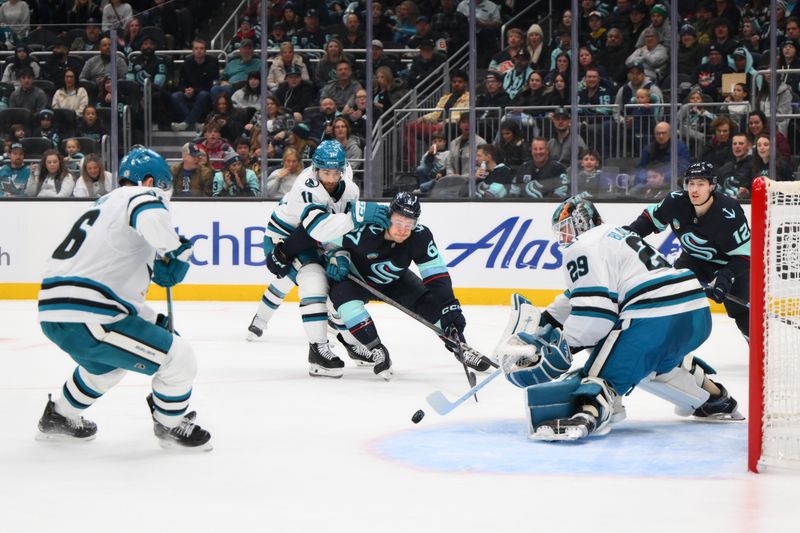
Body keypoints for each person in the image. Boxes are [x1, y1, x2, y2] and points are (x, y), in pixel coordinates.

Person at [494, 196, 742, 441]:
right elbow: (576, 297)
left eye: (566, 229)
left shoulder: (582, 245)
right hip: (694, 313)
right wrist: (546, 321)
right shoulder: (616, 235)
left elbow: (596, 317)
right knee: (657, 364)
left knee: (601, 370)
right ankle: (717, 399)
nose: (564, 238)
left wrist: (563, 347)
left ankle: (587, 414)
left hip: (654, 315)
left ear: (581, 223)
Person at [35, 146, 212, 449]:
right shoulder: (143, 197)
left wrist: (160, 266)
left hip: (59, 311)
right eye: (163, 187)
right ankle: (170, 424)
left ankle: (61, 416)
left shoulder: (106, 203)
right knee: (179, 358)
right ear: (148, 181)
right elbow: (155, 222)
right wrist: (177, 250)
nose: (165, 195)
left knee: (106, 365)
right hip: (91, 314)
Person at [245, 141, 390, 379]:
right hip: (284, 240)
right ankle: (317, 351)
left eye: (336, 172)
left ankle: (352, 344)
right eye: (326, 172)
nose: (331, 178)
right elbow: (315, 228)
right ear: (316, 169)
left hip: (316, 241)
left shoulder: (350, 189)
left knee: (340, 290)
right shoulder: (306, 185)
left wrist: (340, 255)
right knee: (313, 282)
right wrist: (355, 220)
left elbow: (336, 233)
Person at [325, 192, 483, 380]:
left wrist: (450, 304)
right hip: (356, 280)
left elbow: (436, 274)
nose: (402, 230)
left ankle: (461, 347)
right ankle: (376, 350)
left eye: (409, 225)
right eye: (398, 223)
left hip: (396, 280)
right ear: (389, 216)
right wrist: (333, 259)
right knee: (344, 300)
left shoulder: (420, 236)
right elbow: (324, 240)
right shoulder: (364, 231)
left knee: (434, 306)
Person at [627, 162, 751, 340]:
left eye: (701, 184)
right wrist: (629, 233)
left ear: (712, 186)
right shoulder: (675, 202)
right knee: (671, 298)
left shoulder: (729, 212)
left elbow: (745, 256)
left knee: (742, 314)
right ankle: (668, 350)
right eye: (691, 183)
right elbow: (649, 220)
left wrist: (726, 275)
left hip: (728, 264)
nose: (694, 189)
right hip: (692, 260)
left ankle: (759, 354)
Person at [170, 39, 219, 132]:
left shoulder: (213, 62)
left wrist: (194, 90)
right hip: (189, 92)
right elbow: (180, 84)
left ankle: (185, 124)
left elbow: (212, 83)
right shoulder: (186, 63)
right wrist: (186, 90)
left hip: (205, 93)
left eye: (201, 48)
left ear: (205, 50)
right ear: (192, 50)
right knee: (175, 96)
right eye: (196, 48)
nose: (199, 50)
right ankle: (195, 124)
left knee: (203, 94)